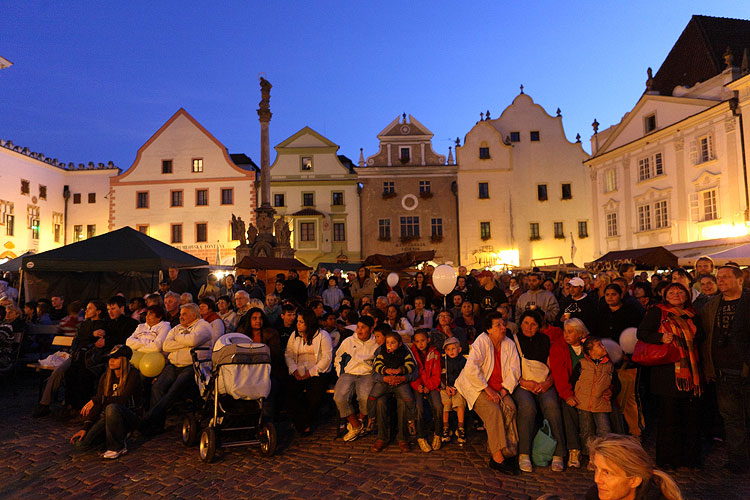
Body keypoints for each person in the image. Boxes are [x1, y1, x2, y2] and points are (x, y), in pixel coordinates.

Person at [637, 282, 702, 469]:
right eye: (672, 292)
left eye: (680, 291)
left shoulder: (693, 313)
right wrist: (660, 337)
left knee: (690, 417)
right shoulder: (658, 311)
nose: (676, 294)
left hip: (692, 372)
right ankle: (667, 459)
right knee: (669, 418)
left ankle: (689, 458)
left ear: (687, 295)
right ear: (665, 295)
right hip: (667, 373)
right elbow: (642, 332)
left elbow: (701, 335)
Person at [455, 311, 520, 475]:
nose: (503, 327)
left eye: (503, 323)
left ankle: (508, 449)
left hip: (500, 388)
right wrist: (487, 389)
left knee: (510, 407)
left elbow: (514, 369)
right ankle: (497, 458)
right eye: (498, 325)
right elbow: (471, 369)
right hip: (476, 386)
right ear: (489, 329)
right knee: (494, 411)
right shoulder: (482, 341)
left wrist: (505, 389)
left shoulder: (509, 344)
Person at [699, 265, 750, 474]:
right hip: (723, 372)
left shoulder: (747, 302)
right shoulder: (711, 306)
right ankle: (737, 460)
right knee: (732, 418)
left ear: (740, 280)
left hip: (745, 369)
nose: (721, 281)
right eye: (719, 277)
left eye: (726, 277)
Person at [140, 303, 213, 435]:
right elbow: (166, 346)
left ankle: (147, 420)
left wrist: (178, 339)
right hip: (173, 365)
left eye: (184, 314)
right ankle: (156, 425)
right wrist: (186, 344)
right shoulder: (176, 328)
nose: (180, 317)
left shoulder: (204, 326)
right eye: (180, 314)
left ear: (194, 315)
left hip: (193, 367)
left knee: (174, 391)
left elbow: (193, 341)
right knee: (157, 387)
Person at [513, 309, 566, 473]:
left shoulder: (545, 340)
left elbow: (552, 365)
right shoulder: (513, 341)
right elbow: (509, 368)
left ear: (539, 326)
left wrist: (548, 382)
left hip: (543, 382)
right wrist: (525, 382)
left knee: (551, 404)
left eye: (533, 324)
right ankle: (524, 453)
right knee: (527, 407)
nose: (529, 327)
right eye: (526, 323)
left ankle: (559, 453)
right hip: (521, 383)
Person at [33, 300, 107, 417]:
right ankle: (48, 404)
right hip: (75, 356)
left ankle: (73, 406)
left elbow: (95, 344)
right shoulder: (84, 324)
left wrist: (87, 340)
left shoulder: (102, 325)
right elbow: (76, 341)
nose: (86, 310)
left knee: (76, 373)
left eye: (90, 308)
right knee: (61, 371)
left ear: (98, 312)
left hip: (89, 359)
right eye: (86, 307)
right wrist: (91, 336)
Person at [70, 344, 141, 459]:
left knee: (111, 407)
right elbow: (98, 405)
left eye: (116, 358)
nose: (111, 361)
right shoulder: (106, 376)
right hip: (108, 418)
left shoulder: (133, 374)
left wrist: (98, 399)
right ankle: (109, 437)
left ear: (124, 360)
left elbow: (122, 399)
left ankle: (117, 447)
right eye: (110, 358)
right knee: (81, 445)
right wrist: (85, 427)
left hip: (129, 416)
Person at [585, 434, 683, 500]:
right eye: (596, 469)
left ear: (634, 480)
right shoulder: (594, 496)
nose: (597, 479)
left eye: (607, 473)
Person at [284, 309, 333, 435]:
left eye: (301, 322)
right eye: (298, 321)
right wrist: (294, 369)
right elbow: (288, 354)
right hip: (298, 370)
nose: (298, 324)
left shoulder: (322, 335)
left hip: (317, 371)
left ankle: (304, 423)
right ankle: (301, 422)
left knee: (314, 394)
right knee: (288, 392)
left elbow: (326, 358)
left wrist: (310, 373)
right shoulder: (295, 335)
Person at [369, 330, 418, 453]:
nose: (377, 340)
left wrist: (402, 376)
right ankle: (381, 437)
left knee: (403, 402)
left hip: (401, 381)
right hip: (384, 382)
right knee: (379, 401)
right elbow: (374, 373)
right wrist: (385, 376)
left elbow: (414, 369)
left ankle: (403, 438)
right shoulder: (380, 351)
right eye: (386, 342)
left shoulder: (405, 351)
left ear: (399, 343)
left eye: (378, 337)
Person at [549, 317, 588, 469]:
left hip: (590, 389)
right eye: (565, 331)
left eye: (570, 332)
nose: (566, 335)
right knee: (568, 408)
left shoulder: (590, 345)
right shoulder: (559, 347)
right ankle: (574, 449)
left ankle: (594, 451)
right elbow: (559, 375)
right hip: (569, 390)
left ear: (580, 334)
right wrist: (567, 395)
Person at [333, 315, 378, 442]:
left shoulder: (376, 343)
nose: (359, 330)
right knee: (339, 397)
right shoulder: (348, 341)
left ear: (371, 328)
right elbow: (338, 357)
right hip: (348, 373)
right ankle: (356, 425)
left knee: (365, 397)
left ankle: (360, 419)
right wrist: (340, 373)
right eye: (358, 327)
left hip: (367, 374)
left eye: (363, 328)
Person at [571, 337, 613, 449]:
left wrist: (611, 391)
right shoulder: (582, 365)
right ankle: (590, 455)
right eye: (599, 345)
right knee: (586, 430)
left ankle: (604, 454)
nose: (604, 347)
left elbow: (615, 383)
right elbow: (573, 380)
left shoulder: (609, 365)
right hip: (583, 403)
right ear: (591, 351)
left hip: (601, 403)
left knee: (604, 430)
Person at [410, 329, 443, 453]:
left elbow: (437, 373)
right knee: (418, 408)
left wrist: (429, 386)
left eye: (423, 340)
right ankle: (421, 436)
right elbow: (412, 372)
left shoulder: (434, 353)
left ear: (428, 340)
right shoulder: (412, 354)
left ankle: (438, 434)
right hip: (418, 385)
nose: (420, 344)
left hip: (432, 385)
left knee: (438, 405)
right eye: (417, 341)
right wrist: (417, 385)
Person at [440, 337, 467, 445]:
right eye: (448, 349)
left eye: (453, 348)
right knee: (446, 405)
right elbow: (442, 375)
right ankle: (446, 428)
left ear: (459, 349)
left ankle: (460, 428)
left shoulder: (463, 361)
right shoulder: (443, 361)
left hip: (459, 387)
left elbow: (465, 376)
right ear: (445, 351)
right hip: (446, 387)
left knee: (460, 404)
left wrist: (456, 387)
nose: (451, 351)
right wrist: (446, 387)